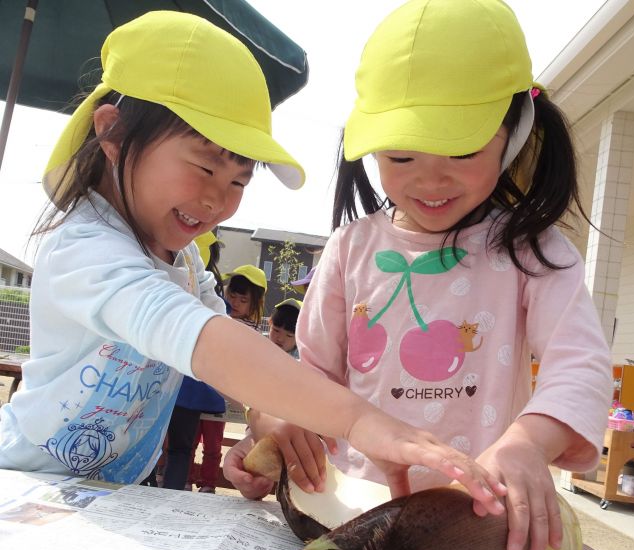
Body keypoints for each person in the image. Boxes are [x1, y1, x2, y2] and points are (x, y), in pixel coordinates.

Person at [0, 11, 505, 512]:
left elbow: (227, 343)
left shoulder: (185, 262)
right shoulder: (84, 248)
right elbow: (202, 340)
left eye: (239, 181)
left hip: (117, 496)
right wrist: (358, 421)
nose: (218, 200)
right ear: (112, 134)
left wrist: (267, 418)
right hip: (29, 485)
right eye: (204, 166)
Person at [231, 0, 613, 550]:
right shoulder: (351, 249)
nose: (430, 179)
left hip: (479, 517)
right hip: (354, 508)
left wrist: (530, 445)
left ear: (515, 131)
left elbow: (580, 364)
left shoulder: (531, 251)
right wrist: (275, 428)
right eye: (401, 155)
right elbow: (309, 377)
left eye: (461, 148)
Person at [161, 231, 228, 492]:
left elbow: (221, 331)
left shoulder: (190, 257)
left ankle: (174, 491)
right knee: (181, 449)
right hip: (183, 396)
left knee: (179, 448)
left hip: (179, 395)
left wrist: (258, 405)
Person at [224, 265, 267, 330]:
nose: (235, 303)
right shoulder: (220, 315)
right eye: (232, 296)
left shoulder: (250, 329)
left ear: (255, 304)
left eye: (243, 300)